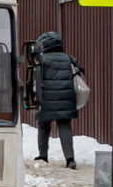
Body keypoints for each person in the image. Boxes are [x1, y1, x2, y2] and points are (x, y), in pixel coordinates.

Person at [32, 31, 81, 168]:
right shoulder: (68, 58)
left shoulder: (42, 59)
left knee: (43, 126)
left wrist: (33, 95)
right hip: (66, 97)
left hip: (46, 97)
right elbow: (79, 71)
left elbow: (37, 79)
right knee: (65, 125)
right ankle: (70, 159)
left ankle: (43, 156)